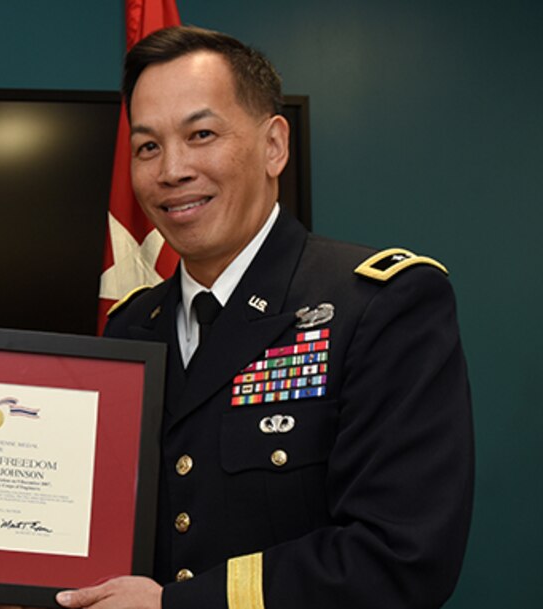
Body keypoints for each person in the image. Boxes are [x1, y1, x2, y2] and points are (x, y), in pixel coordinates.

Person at [57, 26, 473, 609]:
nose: (171, 169)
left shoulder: (380, 306)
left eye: (201, 134)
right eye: (147, 146)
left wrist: (177, 607)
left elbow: (401, 558)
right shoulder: (131, 327)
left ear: (274, 144)